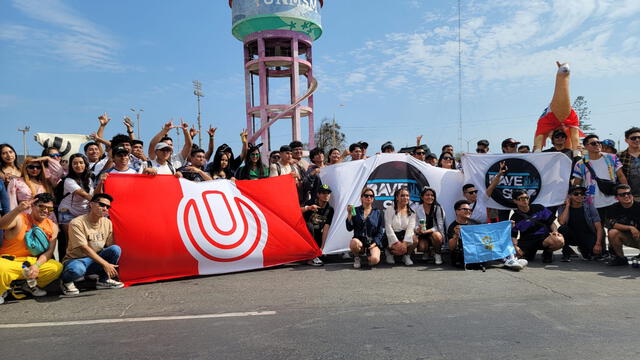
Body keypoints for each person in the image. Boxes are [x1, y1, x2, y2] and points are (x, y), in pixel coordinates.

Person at [0, 193, 63, 304]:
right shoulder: (19, 218)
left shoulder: (53, 226)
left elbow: (49, 252)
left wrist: (37, 265)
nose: (46, 211)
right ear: (33, 206)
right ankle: (3, 289)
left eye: (50, 208)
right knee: (1, 268)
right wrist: (18, 209)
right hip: (9, 261)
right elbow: (2, 225)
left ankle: (27, 285)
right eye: (42, 207)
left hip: (30, 263)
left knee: (56, 267)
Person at [572, 134, 627, 255]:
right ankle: (600, 252)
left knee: (614, 228)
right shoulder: (580, 164)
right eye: (593, 143)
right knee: (597, 228)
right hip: (593, 202)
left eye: (598, 142)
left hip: (613, 200)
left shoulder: (612, 158)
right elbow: (576, 182)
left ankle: (615, 253)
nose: (597, 145)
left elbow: (621, 176)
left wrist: (625, 192)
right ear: (586, 146)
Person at [59, 193, 123, 295]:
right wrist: (105, 264)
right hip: (76, 260)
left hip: (96, 259)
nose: (105, 208)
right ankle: (66, 281)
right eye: (101, 205)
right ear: (91, 204)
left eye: (108, 206)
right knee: (77, 270)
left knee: (115, 249)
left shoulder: (107, 222)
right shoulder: (76, 223)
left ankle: (103, 280)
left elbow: (110, 245)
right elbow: (84, 248)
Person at [57, 154, 95, 259]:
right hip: (67, 211)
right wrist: (98, 203)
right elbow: (84, 194)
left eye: (81, 162)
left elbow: (92, 194)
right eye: (75, 163)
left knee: (85, 239)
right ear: (71, 166)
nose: (78, 165)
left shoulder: (90, 180)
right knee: (70, 239)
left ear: (85, 164)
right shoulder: (69, 180)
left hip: (84, 212)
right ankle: (68, 262)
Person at [510, 189, 564, 263]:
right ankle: (530, 252)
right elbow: (513, 235)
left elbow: (552, 223)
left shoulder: (539, 208)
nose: (525, 200)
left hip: (543, 238)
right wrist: (515, 247)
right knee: (515, 254)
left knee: (559, 241)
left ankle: (547, 252)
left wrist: (555, 231)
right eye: (521, 198)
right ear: (515, 201)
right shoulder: (514, 218)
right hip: (527, 240)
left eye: (526, 198)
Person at [557, 185, 603, 261]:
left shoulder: (589, 207)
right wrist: (568, 206)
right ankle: (566, 253)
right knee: (563, 229)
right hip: (572, 236)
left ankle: (583, 249)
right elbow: (562, 222)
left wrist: (598, 244)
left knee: (592, 256)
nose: (579, 195)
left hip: (587, 236)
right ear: (570, 196)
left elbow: (599, 227)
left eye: (582, 193)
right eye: (576, 194)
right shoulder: (563, 207)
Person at [346, 187, 384, 268]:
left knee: (375, 260)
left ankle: (367, 257)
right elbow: (349, 228)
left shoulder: (378, 212)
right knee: (353, 243)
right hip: (359, 241)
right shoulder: (355, 210)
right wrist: (349, 214)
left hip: (372, 241)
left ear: (373, 198)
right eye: (366, 196)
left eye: (371, 196)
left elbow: (381, 231)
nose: (369, 197)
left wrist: (374, 243)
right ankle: (357, 257)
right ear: (361, 198)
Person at [606, 184, 640, 266]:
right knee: (612, 233)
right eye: (622, 194)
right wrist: (631, 228)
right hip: (629, 237)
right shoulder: (613, 208)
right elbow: (613, 224)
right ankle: (620, 258)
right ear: (616, 198)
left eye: (629, 193)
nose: (626, 196)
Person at [301, 184, 334, 266]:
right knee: (309, 226)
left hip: (318, 235)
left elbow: (326, 227)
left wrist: (322, 247)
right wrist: (308, 208)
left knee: (324, 257)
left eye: (328, 193)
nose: (326, 195)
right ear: (318, 194)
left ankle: (315, 253)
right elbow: (297, 210)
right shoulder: (311, 202)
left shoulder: (330, 209)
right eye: (323, 193)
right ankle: (311, 257)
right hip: (305, 234)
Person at [411, 187, 445, 264]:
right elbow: (414, 224)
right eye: (427, 195)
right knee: (422, 247)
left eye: (432, 195)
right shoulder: (417, 208)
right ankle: (427, 252)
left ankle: (437, 254)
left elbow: (440, 226)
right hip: (421, 234)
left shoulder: (438, 208)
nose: (430, 197)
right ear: (422, 197)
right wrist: (418, 229)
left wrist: (427, 231)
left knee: (437, 236)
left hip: (433, 232)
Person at [384, 187, 416, 266]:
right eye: (402, 195)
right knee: (388, 239)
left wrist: (404, 244)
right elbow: (388, 227)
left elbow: (410, 229)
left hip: (404, 236)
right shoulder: (389, 209)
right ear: (397, 197)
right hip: (392, 235)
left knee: (415, 239)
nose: (405, 198)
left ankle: (406, 256)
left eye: (407, 195)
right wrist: (396, 242)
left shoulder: (412, 213)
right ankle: (389, 253)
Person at [446, 200, 480, 268]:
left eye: (470, 209)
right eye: (465, 209)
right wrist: (456, 236)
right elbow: (451, 248)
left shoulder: (475, 223)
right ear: (457, 211)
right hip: (460, 256)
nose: (468, 211)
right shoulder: (453, 227)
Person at [618, 127, 640, 201]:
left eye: (639, 137)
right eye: (633, 138)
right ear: (626, 140)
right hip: (629, 197)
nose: (637, 140)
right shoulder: (619, 156)